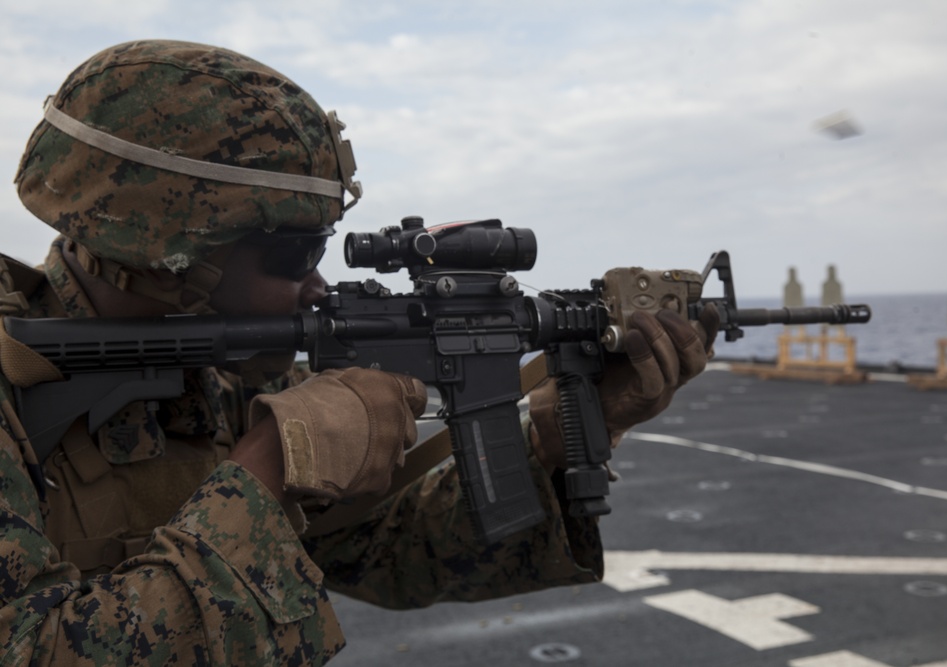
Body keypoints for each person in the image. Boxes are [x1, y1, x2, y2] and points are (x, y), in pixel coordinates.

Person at [0, 40, 718, 664]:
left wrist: (554, 439)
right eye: (295, 252)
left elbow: (384, 553)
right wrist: (270, 469)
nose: (318, 283)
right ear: (168, 252)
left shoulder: (215, 382)